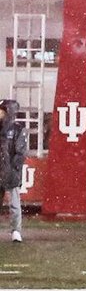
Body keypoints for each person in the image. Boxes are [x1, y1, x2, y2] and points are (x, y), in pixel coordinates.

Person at [0, 100, 26, 242]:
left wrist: (12, 170)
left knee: (14, 204)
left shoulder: (17, 129)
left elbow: (20, 153)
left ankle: (16, 231)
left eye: (2, 110)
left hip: (10, 173)